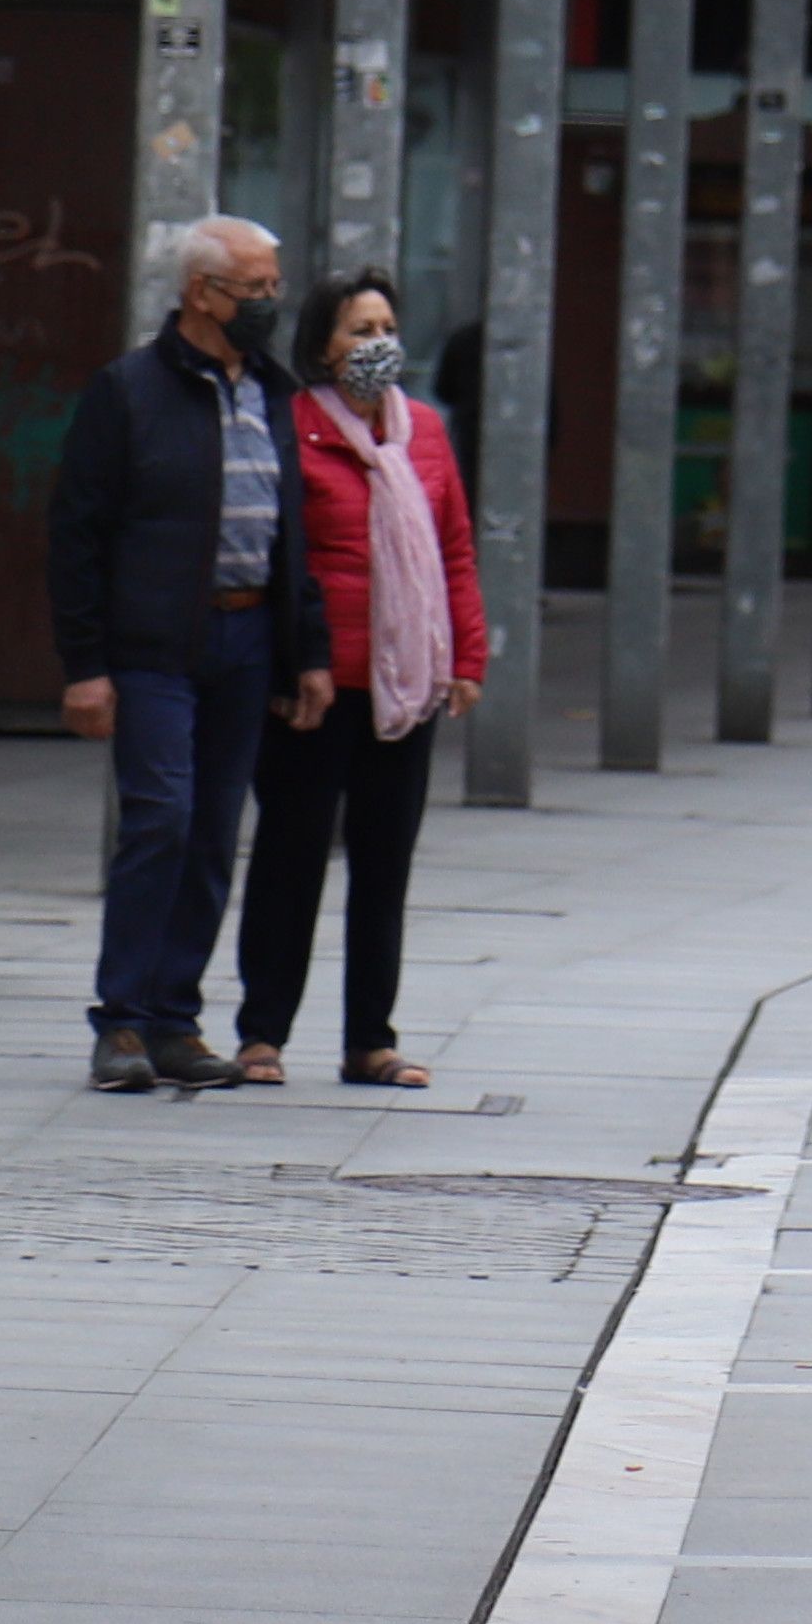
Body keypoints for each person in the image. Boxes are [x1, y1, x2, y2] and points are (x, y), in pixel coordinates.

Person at [49, 216, 338, 1096]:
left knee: (214, 834)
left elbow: (297, 537)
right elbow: (77, 534)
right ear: (200, 293)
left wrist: (308, 655)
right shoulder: (129, 391)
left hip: (248, 641)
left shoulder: (277, 397)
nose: (270, 304)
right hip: (155, 646)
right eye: (254, 291)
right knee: (161, 820)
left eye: (275, 288)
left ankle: (175, 1019)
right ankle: (123, 1021)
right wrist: (85, 665)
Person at [234, 268, 486, 1090]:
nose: (378, 346)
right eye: (358, 332)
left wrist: (467, 659)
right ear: (321, 348)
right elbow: (285, 559)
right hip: (317, 686)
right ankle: (262, 1033)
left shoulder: (428, 436)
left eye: (385, 329)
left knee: (385, 866)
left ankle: (370, 1040)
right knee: (290, 860)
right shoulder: (292, 427)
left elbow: (452, 548)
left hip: (405, 685)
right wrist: (291, 661)